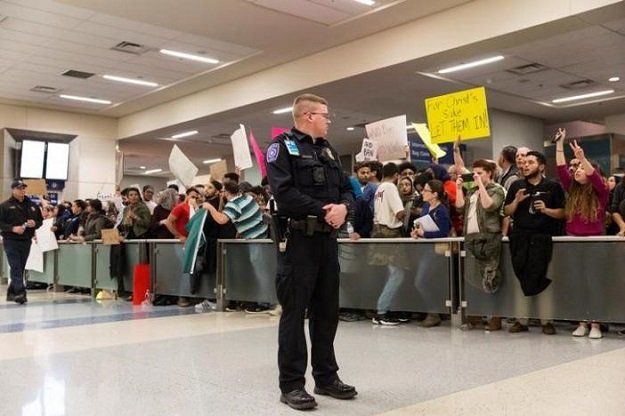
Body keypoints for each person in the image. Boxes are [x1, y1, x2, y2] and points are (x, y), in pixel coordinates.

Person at [266, 93, 356, 410]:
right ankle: (291, 384)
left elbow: (348, 188)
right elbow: (285, 194)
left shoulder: (328, 151)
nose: (329, 120)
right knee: (294, 313)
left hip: (326, 242)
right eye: (325, 115)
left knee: (327, 311)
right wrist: (324, 210)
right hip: (298, 242)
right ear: (307, 116)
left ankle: (326, 377)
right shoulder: (281, 148)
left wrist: (344, 208)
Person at [504, 151, 565, 335]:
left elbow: (563, 212)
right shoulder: (516, 186)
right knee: (519, 279)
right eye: (524, 163)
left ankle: (547, 321)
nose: (525, 165)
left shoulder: (553, 186)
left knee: (544, 279)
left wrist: (546, 210)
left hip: (543, 238)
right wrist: (516, 201)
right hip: (520, 239)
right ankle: (521, 320)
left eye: (531, 162)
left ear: (541, 166)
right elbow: (506, 211)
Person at [555, 130, 609, 338]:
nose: (577, 171)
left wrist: (582, 158)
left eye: (581, 169)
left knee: (594, 283)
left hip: (594, 243)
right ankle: (582, 322)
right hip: (573, 242)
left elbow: (595, 178)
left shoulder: (601, 192)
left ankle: (595, 323)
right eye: (576, 168)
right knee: (577, 284)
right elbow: (561, 168)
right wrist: (560, 144)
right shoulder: (572, 190)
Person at [456, 160, 506, 331]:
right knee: (472, 278)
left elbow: (489, 206)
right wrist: (458, 189)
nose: (476, 176)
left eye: (480, 173)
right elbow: (459, 207)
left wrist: (480, 186)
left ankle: (495, 316)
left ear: (490, 173)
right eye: (474, 173)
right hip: (471, 238)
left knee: (491, 275)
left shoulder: (497, 190)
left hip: (489, 237)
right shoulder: (472, 192)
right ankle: (475, 315)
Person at [410, 179, 452, 327]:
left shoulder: (441, 211)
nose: (423, 193)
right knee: (426, 281)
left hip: (435, 252)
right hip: (426, 250)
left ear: (434, 194)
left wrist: (425, 234)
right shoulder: (427, 207)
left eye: (426, 190)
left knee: (420, 281)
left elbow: (443, 232)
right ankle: (435, 311)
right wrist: (418, 232)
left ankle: (433, 312)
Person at [0, 180, 43, 304]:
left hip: (26, 240)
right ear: (13, 190)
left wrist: (35, 223)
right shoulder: (5, 206)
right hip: (10, 240)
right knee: (15, 266)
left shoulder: (32, 205)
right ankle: (20, 293)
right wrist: (12, 228)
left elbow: (40, 220)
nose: (22, 190)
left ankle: (11, 293)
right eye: (19, 188)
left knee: (20, 267)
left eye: (23, 188)